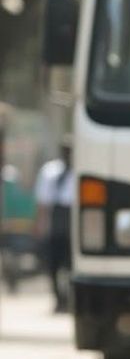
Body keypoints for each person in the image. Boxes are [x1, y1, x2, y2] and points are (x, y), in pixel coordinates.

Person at [33, 134, 74, 312]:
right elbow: (43, 203)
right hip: (56, 220)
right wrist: (41, 225)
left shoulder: (81, 170)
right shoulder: (51, 171)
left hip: (74, 219)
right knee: (53, 265)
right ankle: (58, 299)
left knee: (71, 266)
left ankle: (70, 299)